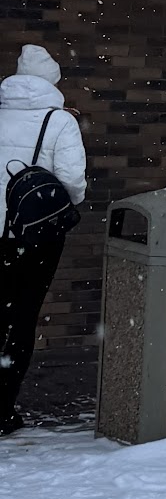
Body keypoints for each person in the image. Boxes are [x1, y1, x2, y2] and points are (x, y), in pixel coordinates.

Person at [0, 44, 87, 434]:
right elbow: (73, 183)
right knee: (21, 318)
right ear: (52, 81)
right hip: (34, 238)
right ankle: (2, 409)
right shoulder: (60, 122)